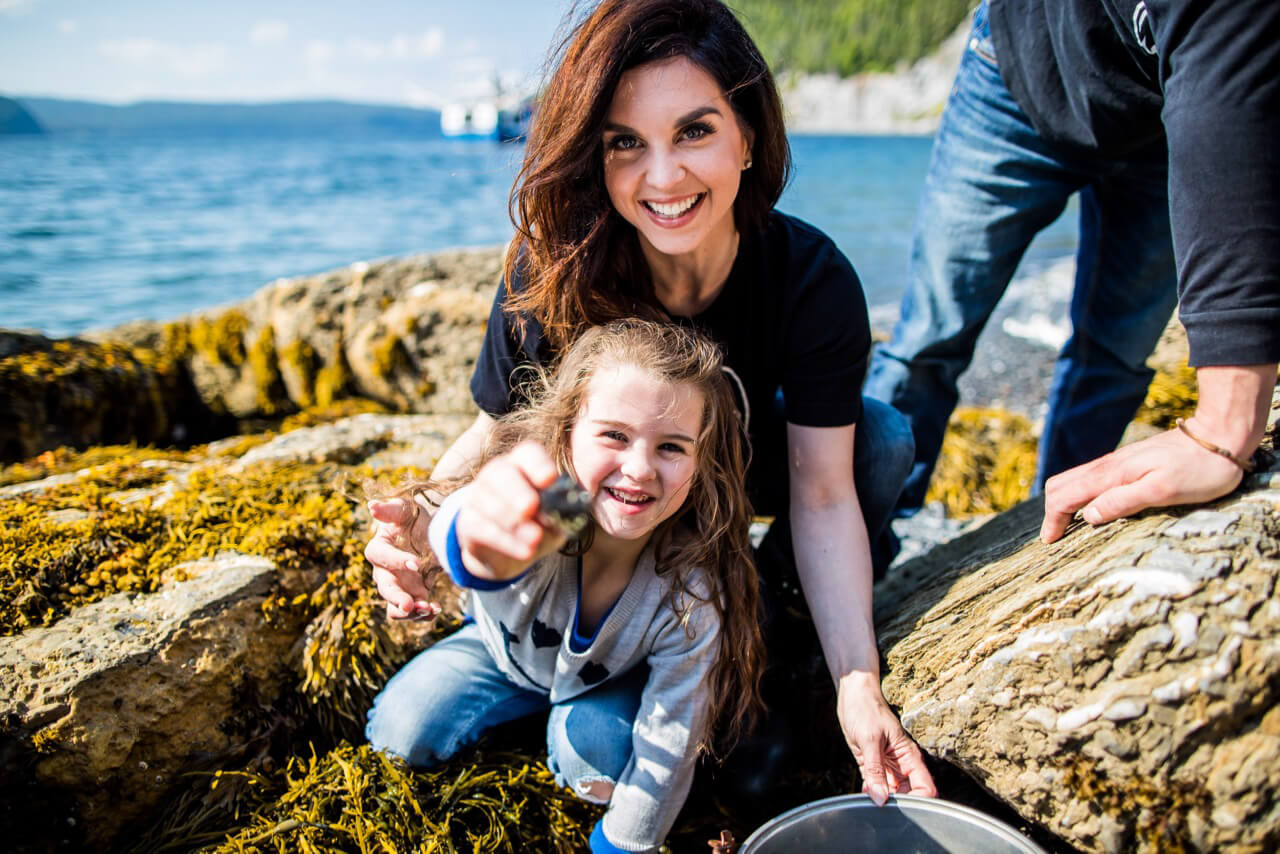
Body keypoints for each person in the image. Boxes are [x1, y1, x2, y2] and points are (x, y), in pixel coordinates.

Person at [366, 0, 937, 807]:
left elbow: (822, 490)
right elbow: (500, 434)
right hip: (589, 523)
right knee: (425, 714)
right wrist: (421, 527)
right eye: (625, 143)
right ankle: (544, 657)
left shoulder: (811, 279)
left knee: (878, 442)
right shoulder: (554, 267)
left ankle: (767, 623)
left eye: (695, 131)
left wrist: (858, 682)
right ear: (593, 157)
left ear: (748, 135)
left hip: (712, 498)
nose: (662, 177)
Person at [865, 0, 1279, 545]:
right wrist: (1224, 427)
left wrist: (1225, 428)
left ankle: (1053, 526)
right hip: (1012, 73)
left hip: (1165, 112)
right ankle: (859, 544)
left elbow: (1239, 109)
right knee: (926, 341)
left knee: (1112, 358)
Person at [366, 320, 766, 853]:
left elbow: (671, 739)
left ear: (701, 464)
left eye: (671, 446)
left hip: (603, 687)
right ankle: (517, 721)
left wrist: (622, 844)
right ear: (566, 431)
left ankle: (562, 738)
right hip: (493, 654)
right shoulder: (548, 509)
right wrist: (475, 540)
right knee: (400, 735)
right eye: (614, 436)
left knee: (596, 768)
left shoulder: (688, 590)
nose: (640, 468)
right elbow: (478, 518)